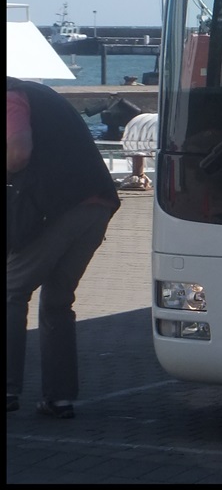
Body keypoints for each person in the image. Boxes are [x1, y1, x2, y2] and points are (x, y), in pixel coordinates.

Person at [7, 76, 121, 419]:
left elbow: (17, 154)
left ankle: (8, 388)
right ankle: (59, 398)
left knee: (10, 292)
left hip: (60, 207)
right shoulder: (39, 92)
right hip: (98, 204)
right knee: (57, 301)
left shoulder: (11, 97)